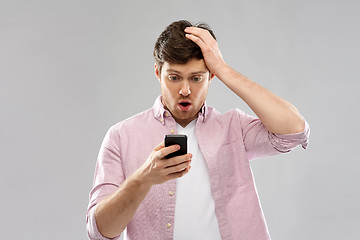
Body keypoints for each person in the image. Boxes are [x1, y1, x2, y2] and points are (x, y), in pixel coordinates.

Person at [86, 20, 310, 240]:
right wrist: (143, 179)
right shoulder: (121, 136)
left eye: (196, 78)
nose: (185, 90)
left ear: (211, 76)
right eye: (174, 78)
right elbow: (100, 231)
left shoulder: (234, 128)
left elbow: (294, 130)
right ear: (158, 73)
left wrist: (223, 69)